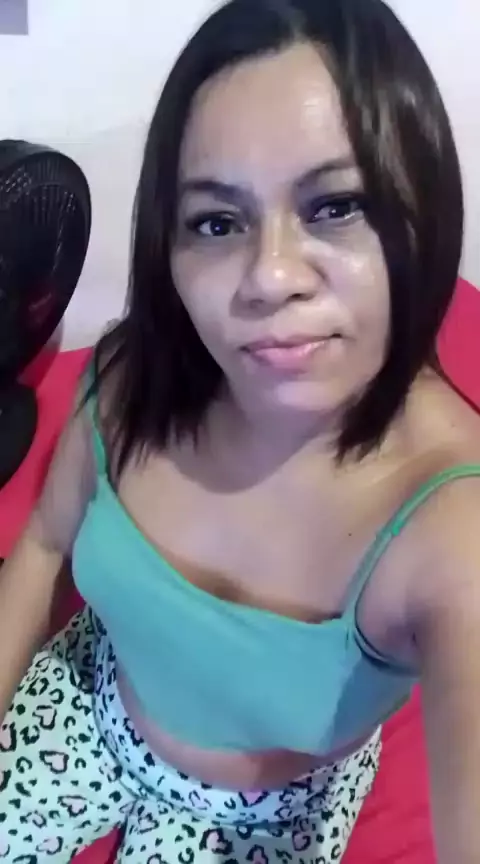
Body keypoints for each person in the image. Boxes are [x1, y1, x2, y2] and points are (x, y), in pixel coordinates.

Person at [1, 0, 479, 861]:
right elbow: (40, 544)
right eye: (217, 223)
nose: (269, 276)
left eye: (336, 206)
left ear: (424, 208)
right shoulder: (127, 380)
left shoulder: (452, 528)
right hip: (91, 701)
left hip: (267, 815)